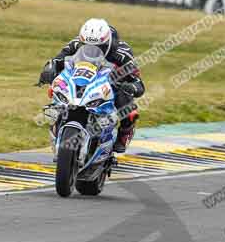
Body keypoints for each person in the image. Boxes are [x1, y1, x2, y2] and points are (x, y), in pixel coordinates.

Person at [39, 18, 145, 153]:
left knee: (126, 103)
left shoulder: (122, 53)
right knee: (56, 87)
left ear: (107, 44)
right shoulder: (76, 43)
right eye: (86, 46)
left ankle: (124, 133)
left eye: (98, 48)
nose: (91, 49)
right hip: (81, 76)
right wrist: (48, 70)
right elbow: (58, 60)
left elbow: (138, 83)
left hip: (109, 82)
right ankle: (57, 121)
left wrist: (130, 87)